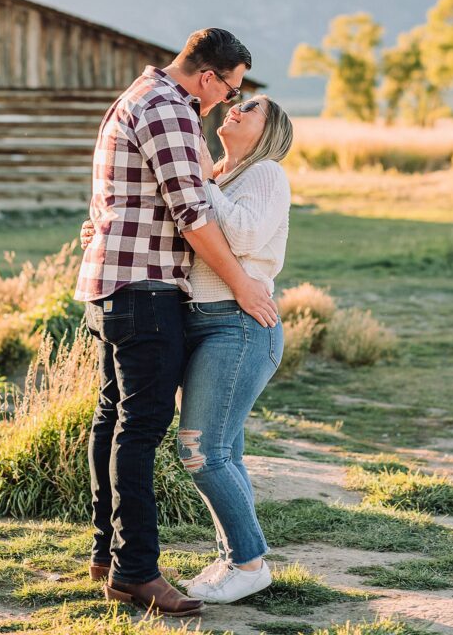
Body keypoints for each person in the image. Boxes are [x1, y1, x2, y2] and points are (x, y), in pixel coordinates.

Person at [74, 28, 277, 618]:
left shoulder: (138, 96)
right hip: (144, 290)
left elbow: (116, 199)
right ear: (209, 75)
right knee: (139, 430)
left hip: (115, 287)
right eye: (230, 87)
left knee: (113, 420)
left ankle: (108, 554)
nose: (225, 102)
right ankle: (137, 572)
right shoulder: (169, 109)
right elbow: (190, 213)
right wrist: (242, 285)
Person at [178, 94, 293, 604]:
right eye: (237, 103)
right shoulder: (221, 177)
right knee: (228, 453)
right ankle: (234, 558)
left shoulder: (265, 173)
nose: (236, 109)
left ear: (270, 132)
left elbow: (244, 235)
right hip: (201, 326)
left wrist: (200, 179)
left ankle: (249, 562)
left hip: (242, 326)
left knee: (200, 451)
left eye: (252, 108)